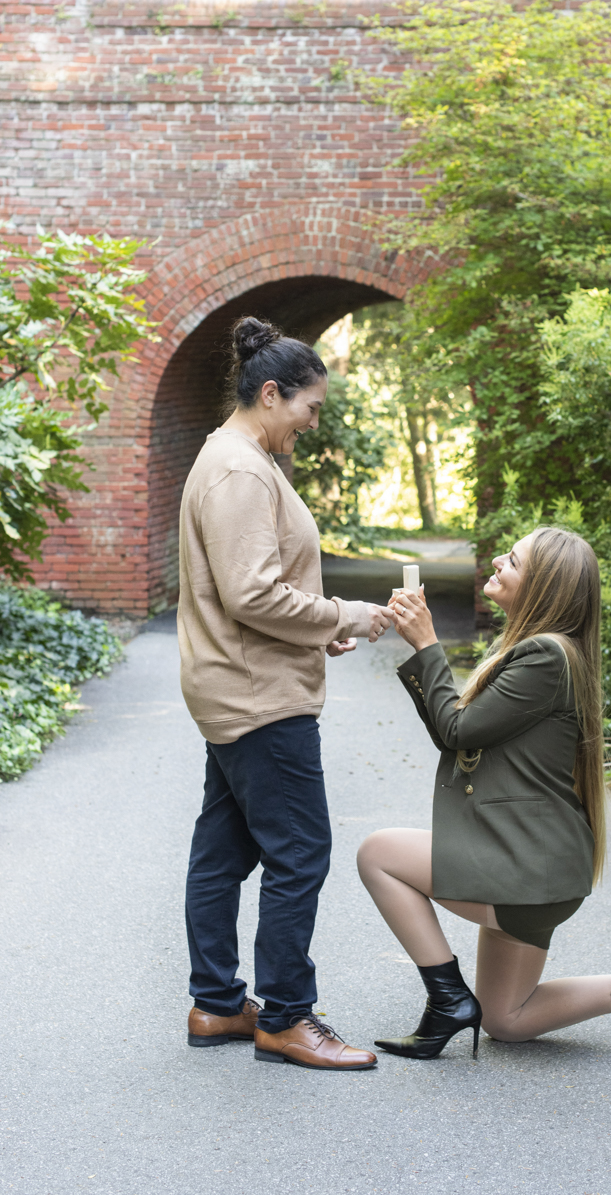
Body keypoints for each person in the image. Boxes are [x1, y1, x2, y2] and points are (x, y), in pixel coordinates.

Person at [357, 526, 611, 1059]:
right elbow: (458, 729)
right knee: (508, 1019)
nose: (499, 562)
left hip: (524, 865)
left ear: (543, 587)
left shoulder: (547, 656)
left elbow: (456, 731)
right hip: (537, 868)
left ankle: (446, 999)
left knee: (377, 854)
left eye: (514, 560)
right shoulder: (544, 652)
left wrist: (427, 644)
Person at [179, 316, 394, 1071]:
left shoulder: (233, 457)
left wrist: (315, 633)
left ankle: (215, 1003)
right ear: (271, 393)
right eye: (309, 408)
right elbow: (251, 594)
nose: (311, 423)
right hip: (259, 696)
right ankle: (286, 1017)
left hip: (238, 684)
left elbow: (256, 596)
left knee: (224, 849)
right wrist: (346, 614)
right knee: (300, 851)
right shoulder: (240, 468)